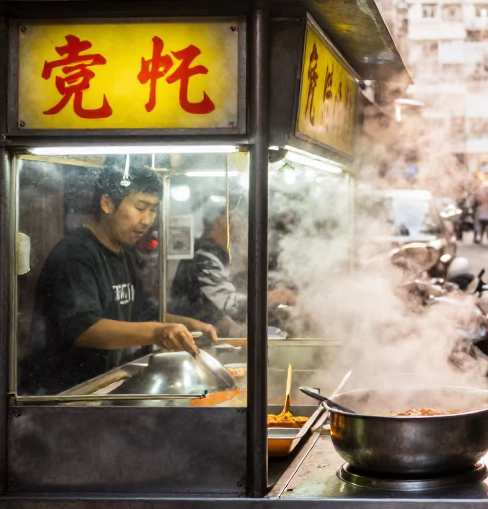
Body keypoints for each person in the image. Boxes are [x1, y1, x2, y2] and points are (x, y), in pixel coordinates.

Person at [23, 165, 219, 395]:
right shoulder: (75, 254)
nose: (147, 220)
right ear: (107, 203)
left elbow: (142, 313)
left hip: (107, 384)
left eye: (153, 210)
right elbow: (84, 329)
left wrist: (189, 326)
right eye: (140, 207)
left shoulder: (124, 253)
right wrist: (158, 332)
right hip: (67, 394)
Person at [170, 202, 296, 338]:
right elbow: (232, 307)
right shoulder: (202, 258)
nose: (241, 224)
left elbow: (220, 309)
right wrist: (272, 297)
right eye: (236, 216)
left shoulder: (216, 256)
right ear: (221, 219)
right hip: (195, 344)